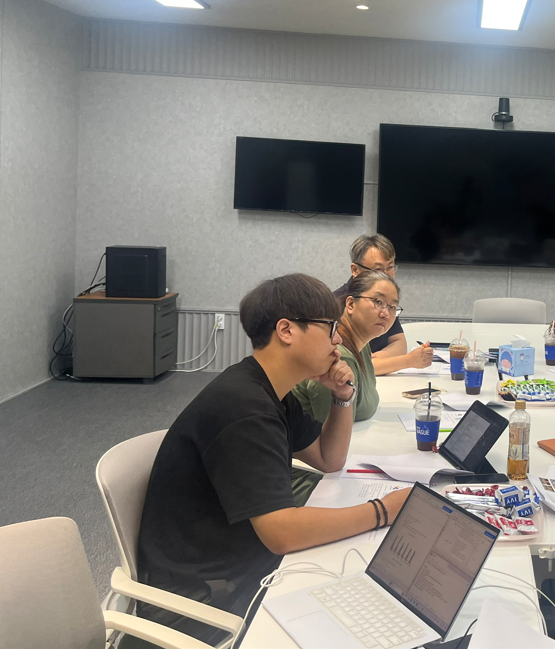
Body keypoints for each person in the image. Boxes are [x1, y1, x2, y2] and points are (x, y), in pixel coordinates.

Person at [131, 274, 412, 645]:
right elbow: (282, 534)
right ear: (286, 330)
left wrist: (342, 397)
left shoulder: (270, 390)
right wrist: (384, 510)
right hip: (204, 596)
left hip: (240, 557)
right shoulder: (244, 408)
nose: (338, 339)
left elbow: (329, 459)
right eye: (330, 328)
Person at [293, 269, 403, 422]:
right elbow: (331, 435)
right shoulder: (337, 355)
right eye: (378, 302)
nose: (386, 314)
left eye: (392, 307)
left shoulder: (362, 345)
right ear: (350, 304)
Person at [339, 233, 433, 374]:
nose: (386, 275)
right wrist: (408, 361)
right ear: (355, 270)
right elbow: (348, 365)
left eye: (390, 267)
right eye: (378, 270)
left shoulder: (387, 298)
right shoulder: (334, 306)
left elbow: (399, 342)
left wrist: (382, 357)